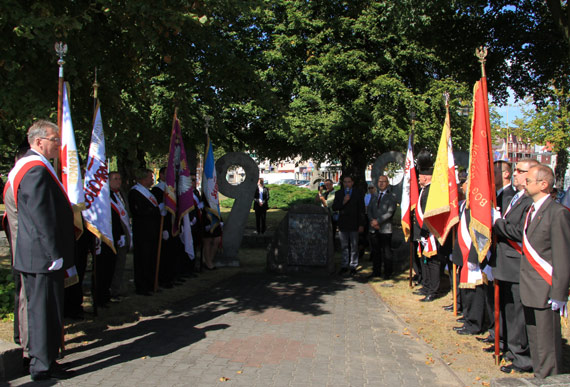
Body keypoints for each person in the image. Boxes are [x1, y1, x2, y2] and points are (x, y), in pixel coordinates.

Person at [11, 120, 75, 380]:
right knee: (42, 312)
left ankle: (47, 360)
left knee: (49, 311)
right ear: (39, 141)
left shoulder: (35, 166)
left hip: (40, 255)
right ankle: (41, 366)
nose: (58, 144)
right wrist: (54, 253)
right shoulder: (35, 169)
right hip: (42, 257)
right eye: (54, 140)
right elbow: (41, 216)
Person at [520, 164, 570, 378]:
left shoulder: (557, 213)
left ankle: (549, 380)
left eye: (529, 180)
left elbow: (562, 256)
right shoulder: (532, 210)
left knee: (548, 345)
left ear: (543, 184)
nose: (525, 183)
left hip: (546, 290)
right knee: (536, 341)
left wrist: (559, 294)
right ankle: (539, 377)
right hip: (530, 288)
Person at [491, 159, 537, 373]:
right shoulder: (518, 198)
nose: (516, 174)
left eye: (520, 171)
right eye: (516, 170)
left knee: (518, 314)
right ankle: (512, 350)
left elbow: (520, 232)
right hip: (506, 262)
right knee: (509, 311)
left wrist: (498, 222)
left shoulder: (529, 201)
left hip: (517, 263)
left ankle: (521, 358)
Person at [2, 143, 30, 372]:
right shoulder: (18, 181)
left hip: (23, 250)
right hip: (25, 251)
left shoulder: (15, 179)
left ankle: (22, 336)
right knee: (24, 297)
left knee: (22, 297)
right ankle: (24, 342)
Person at [412, 150, 442, 302]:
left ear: (425, 177)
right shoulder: (424, 190)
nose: (418, 179)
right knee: (425, 261)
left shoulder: (431, 191)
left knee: (432, 262)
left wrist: (425, 230)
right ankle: (426, 285)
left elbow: (429, 213)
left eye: (419, 177)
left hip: (430, 232)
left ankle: (433, 290)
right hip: (423, 232)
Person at [129, 168, 161, 295]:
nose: (152, 180)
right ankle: (142, 286)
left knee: (151, 258)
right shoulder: (135, 192)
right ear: (142, 179)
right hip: (142, 232)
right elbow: (138, 211)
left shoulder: (149, 192)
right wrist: (153, 212)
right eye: (150, 177)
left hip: (152, 231)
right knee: (143, 259)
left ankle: (151, 283)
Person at [332, 174, 365, 276]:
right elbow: (334, 207)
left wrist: (361, 224)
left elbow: (361, 210)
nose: (347, 184)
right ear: (343, 183)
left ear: (352, 183)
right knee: (344, 246)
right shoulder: (339, 193)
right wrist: (343, 201)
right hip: (343, 223)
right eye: (345, 182)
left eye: (349, 182)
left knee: (354, 245)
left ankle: (353, 265)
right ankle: (344, 265)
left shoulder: (358, 193)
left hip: (355, 223)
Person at [151, 167, 178, 288]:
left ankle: (171, 276)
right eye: (167, 174)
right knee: (164, 254)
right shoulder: (157, 190)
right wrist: (163, 229)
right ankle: (163, 278)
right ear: (161, 175)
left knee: (172, 252)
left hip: (172, 223)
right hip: (164, 225)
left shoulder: (171, 188)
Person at [367, 175, 396, 279]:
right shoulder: (374, 196)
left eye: (384, 181)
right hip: (373, 228)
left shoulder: (391, 196)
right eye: (379, 181)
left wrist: (378, 221)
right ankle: (376, 271)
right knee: (375, 251)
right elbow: (369, 209)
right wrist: (372, 221)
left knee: (386, 252)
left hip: (385, 229)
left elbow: (390, 212)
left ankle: (388, 272)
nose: (381, 183)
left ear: (387, 183)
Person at [109, 171, 132, 299]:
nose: (119, 181)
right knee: (112, 265)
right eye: (115, 179)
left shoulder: (121, 194)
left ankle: (117, 289)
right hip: (114, 235)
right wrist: (119, 234)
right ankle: (111, 290)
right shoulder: (107, 195)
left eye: (120, 179)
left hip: (124, 234)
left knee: (121, 264)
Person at [202, 198, 222, 270]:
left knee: (217, 239)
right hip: (206, 217)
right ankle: (208, 263)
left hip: (215, 218)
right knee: (208, 241)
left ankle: (209, 260)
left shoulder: (213, 190)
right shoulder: (205, 191)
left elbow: (217, 206)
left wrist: (220, 219)